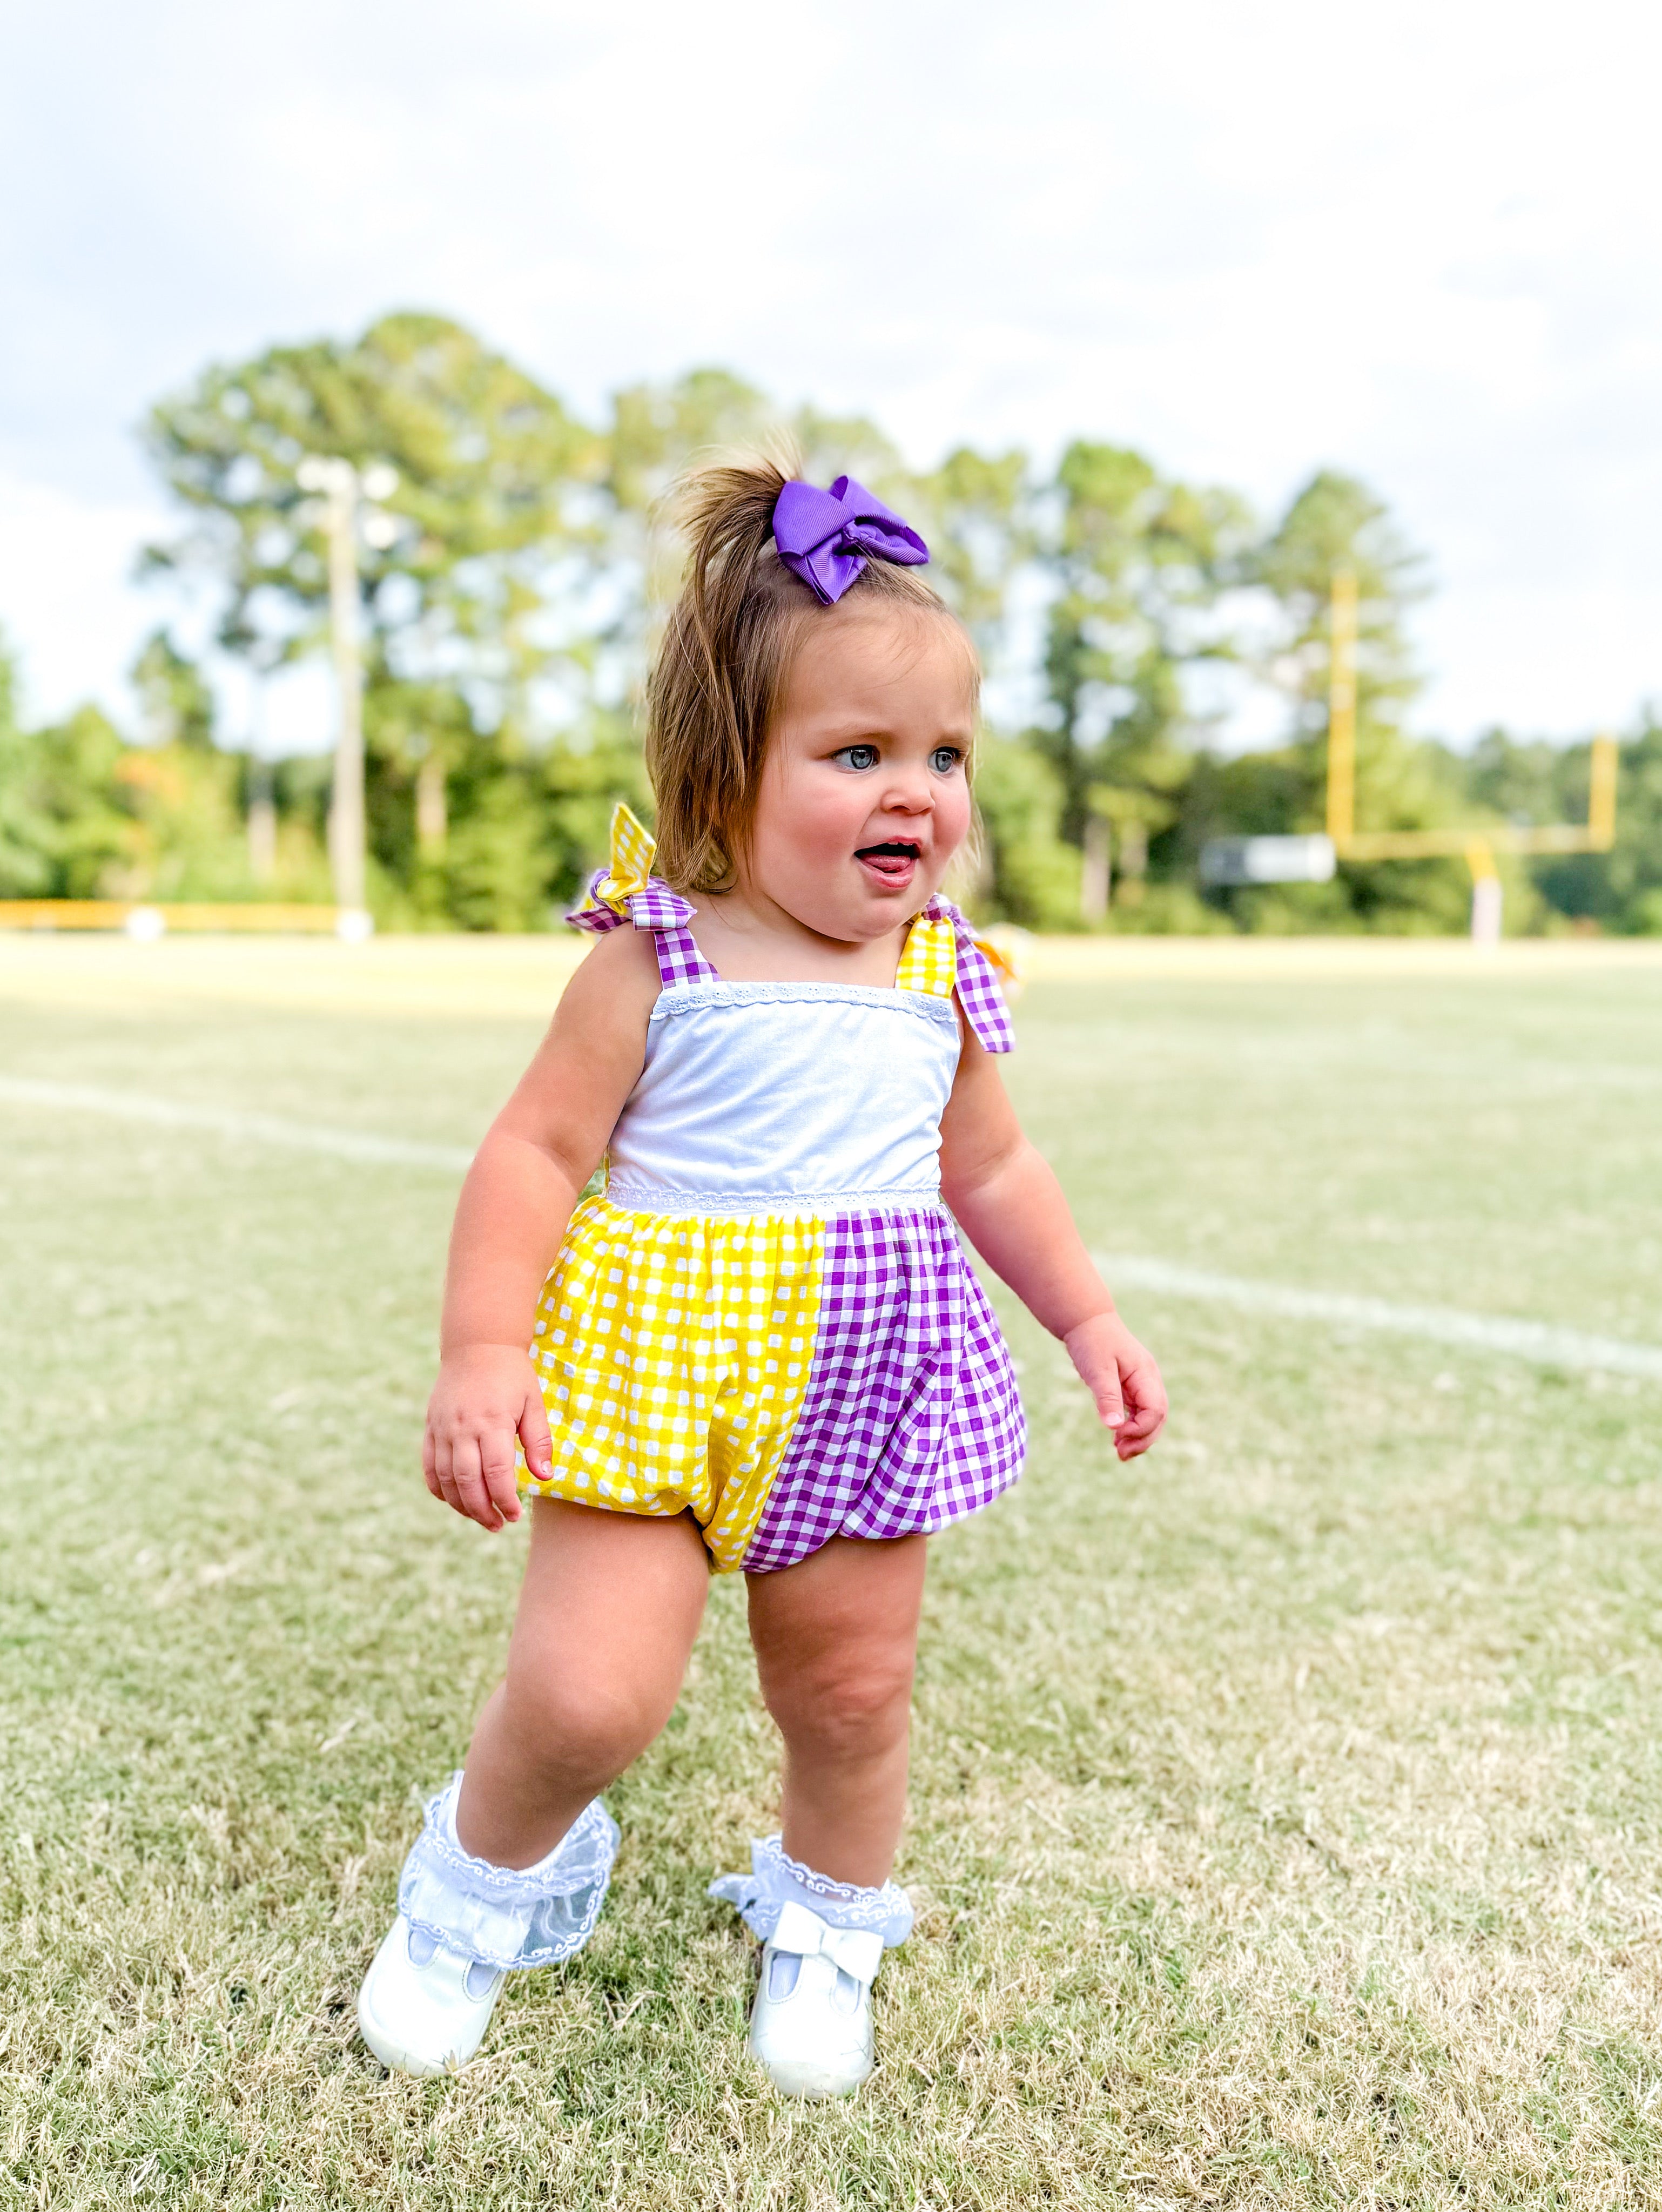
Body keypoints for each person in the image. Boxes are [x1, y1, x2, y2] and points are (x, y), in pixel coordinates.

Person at [355, 458, 1167, 2096]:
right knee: (587, 1698)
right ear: (726, 776)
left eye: (943, 757)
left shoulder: (942, 974)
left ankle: (827, 1925)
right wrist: (477, 1352)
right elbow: (531, 1155)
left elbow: (990, 1166)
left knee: (855, 1693)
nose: (916, 794)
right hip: (656, 1376)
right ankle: (479, 1885)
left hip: (868, 1389)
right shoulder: (654, 957)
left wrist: (1086, 1318)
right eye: (858, 754)